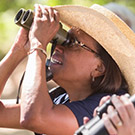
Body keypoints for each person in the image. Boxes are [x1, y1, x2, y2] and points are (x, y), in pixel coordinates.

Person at [0, 3, 135, 135]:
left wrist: (37, 46)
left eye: (73, 43)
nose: (58, 47)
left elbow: (35, 117)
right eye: (62, 39)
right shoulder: (63, 99)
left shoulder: (108, 108)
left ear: (99, 68)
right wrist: (17, 50)